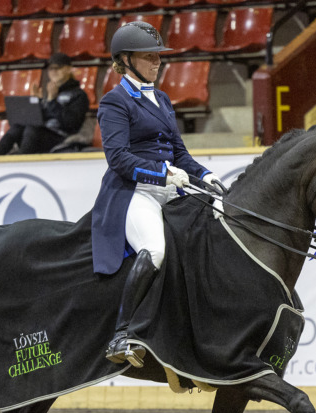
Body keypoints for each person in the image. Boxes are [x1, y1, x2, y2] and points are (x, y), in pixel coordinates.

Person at [92, 21, 222, 368]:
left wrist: (206, 175)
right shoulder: (114, 101)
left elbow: (179, 151)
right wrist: (163, 174)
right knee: (156, 248)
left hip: (171, 185)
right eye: (149, 57)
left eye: (158, 56)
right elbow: (118, 158)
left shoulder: (162, 99)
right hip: (134, 191)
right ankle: (122, 334)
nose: (157, 62)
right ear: (126, 60)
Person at [0, 53, 90, 155]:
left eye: (58, 68)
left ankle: (23, 163)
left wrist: (52, 101)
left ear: (69, 69)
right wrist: (36, 103)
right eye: (50, 69)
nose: (53, 72)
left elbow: (71, 123)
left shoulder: (79, 95)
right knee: (17, 128)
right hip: (42, 134)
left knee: (32, 130)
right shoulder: (50, 93)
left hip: (62, 138)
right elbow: (39, 119)